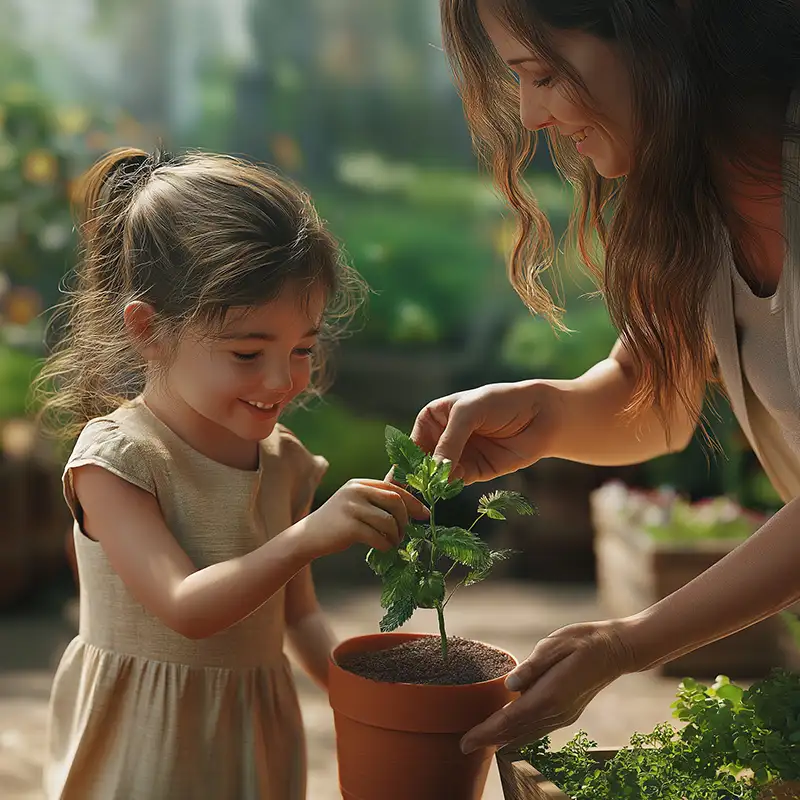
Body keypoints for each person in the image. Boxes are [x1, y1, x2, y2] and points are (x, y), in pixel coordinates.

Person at [412, 0, 800, 756]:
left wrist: (629, 643)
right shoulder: (705, 194)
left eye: (545, 73)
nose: (529, 114)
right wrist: (546, 414)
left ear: (662, 30)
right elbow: (654, 393)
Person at [36, 147, 428, 799]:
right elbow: (184, 607)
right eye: (248, 352)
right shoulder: (118, 461)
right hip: (142, 753)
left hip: (253, 745)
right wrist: (309, 537)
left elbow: (296, 618)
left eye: (302, 348)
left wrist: (365, 703)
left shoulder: (286, 461)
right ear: (149, 330)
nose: (283, 380)